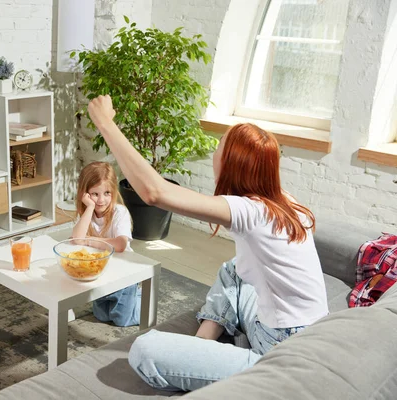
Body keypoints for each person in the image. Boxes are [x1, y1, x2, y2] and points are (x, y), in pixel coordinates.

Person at [87, 95, 329, 391]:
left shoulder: (250, 211)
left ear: (231, 163)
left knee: (144, 350)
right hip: (306, 333)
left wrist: (105, 122)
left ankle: (231, 367)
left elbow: (154, 193)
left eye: (219, 147)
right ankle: (203, 344)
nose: (214, 154)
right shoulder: (283, 200)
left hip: (283, 354)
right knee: (233, 270)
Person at [71, 161, 139, 327]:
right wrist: (88, 208)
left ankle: (141, 298)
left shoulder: (119, 212)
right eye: (95, 194)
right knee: (101, 316)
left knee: (121, 320)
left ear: (113, 192)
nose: (101, 200)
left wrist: (90, 240)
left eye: (107, 193)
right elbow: (76, 239)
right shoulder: (87, 213)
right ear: (85, 194)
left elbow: (121, 244)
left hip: (124, 276)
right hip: (101, 274)